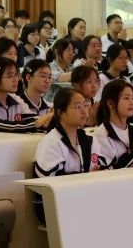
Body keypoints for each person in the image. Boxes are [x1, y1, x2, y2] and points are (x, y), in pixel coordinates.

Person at [33, 87, 102, 221]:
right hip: (55, 207)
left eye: (85, 106)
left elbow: (97, 172)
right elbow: (51, 183)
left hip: (83, 199)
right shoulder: (51, 142)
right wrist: (86, 177)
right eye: (77, 107)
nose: (84, 111)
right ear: (61, 112)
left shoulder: (89, 140)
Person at [0, 57, 50, 133]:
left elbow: (33, 118)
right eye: (10, 76)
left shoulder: (16, 99)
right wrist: (35, 124)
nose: (15, 79)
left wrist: (47, 120)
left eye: (16, 75)